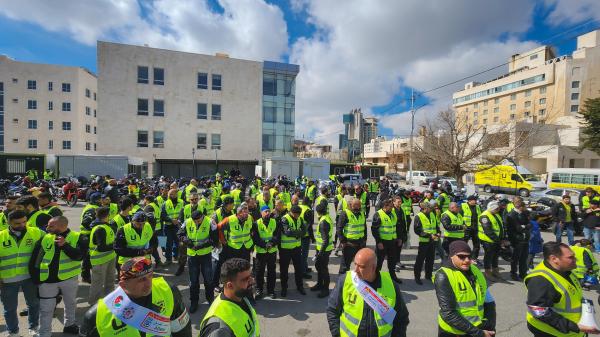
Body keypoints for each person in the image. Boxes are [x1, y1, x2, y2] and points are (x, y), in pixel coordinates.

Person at [80, 257, 192, 337]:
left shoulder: (167, 290)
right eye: (141, 280)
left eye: (150, 276)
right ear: (123, 285)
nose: (148, 283)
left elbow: (182, 329)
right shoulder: (96, 315)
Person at [327, 248, 410, 337]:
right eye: (355, 264)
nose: (356, 270)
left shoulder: (391, 285)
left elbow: (401, 318)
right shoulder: (345, 281)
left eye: (361, 266)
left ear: (373, 267)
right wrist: (336, 334)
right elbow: (332, 310)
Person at [525, 242, 600, 336]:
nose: (575, 259)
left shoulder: (565, 270)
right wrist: (575, 327)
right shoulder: (541, 281)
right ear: (554, 259)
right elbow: (539, 311)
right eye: (570, 257)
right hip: (553, 333)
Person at [30, 216, 86, 336]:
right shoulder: (45, 238)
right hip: (47, 280)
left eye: (51, 226)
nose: (47, 227)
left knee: (70, 303)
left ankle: (70, 325)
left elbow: (80, 256)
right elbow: (35, 259)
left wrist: (65, 245)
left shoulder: (78, 237)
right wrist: (35, 278)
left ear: (61, 226)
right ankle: (45, 332)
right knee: (46, 308)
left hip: (69, 278)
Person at [434, 241, 496, 337]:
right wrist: (479, 333)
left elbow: (489, 301)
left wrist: (490, 325)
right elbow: (448, 313)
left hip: (477, 328)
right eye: (461, 256)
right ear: (451, 256)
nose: (467, 260)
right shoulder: (443, 275)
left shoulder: (475, 270)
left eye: (469, 256)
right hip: (454, 332)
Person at [0, 210, 43, 337]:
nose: (22, 225)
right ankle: (13, 332)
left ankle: (34, 327)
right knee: (10, 309)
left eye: (24, 221)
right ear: (8, 222)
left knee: (34, 304)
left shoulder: (36, 232)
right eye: (17, 223)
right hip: (8, 279)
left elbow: (50, 241)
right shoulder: (1, 236)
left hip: (30, 277)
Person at [199, 258, 260, 337]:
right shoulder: (218, 329)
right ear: (230, 285)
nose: (252, 281)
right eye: (245, 279)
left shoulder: (240, 296)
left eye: (251, 276)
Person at [88, 207, 117, 305]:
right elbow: (101, 247)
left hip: (109, 258)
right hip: (100, 261)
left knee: (110, 281)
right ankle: (94, 304)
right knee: (98, 283)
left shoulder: (105, 226)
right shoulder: (100, 228)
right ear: (107, 216)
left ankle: (109, 300)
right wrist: (115, 246)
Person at [252, 205, 280, 299]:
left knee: (271, 272)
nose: (267, 213)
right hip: (261, 252)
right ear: (261, 212)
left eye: (268, 211)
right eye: (265, 211)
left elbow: (277, 235)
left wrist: (271, 243)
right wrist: (265, 245)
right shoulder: (256, 223)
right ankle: (259, 290)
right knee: (259, 272)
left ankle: (271, 291)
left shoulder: (274, 222)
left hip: (272, 251)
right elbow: (255, 238)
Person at [279, 205, 307, 297]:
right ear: (291, 212)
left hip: (296, 248)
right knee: (284, 270)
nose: (297, 216)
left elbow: (304, 231)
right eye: (296, 214)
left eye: (299, 214)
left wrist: (296, 233)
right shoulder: (284, 219)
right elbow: (287, 232)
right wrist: (298, 233)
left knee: (298, 269)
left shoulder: (300, 218)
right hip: (285, 249)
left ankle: (300, 286)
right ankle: (284, 288)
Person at [371, 198, 400, 283]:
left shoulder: (393, 213)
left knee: (392, 260)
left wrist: (398, 238)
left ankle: (392, 276)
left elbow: (396, 227)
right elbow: (374, 230)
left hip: (392, 242)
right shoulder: (378, 214)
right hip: (382, 242)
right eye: (390, 206)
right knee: (379, 262)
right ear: (385, 206)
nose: (392, 208)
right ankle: (375, 278)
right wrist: (378, 242)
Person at [337, 198, 367, 274]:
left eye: (359, 205)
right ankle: (342, 283)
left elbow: (364, 226)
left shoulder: (362, 213)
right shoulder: (345, 213)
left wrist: (364, 239)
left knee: (361, 265)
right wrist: (343, 241)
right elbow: (339, 228)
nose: (357, 207)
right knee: (345, 267)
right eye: (355, 206)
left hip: (360, 244)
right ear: (350, 205)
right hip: (349, 245)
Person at [478, 201, 506, 281]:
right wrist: (499, 241)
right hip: (488, 240)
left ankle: (495, 271)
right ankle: (487, 272)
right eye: (496, 209)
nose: (498, 210)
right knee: (488, 257)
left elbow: (500, 227)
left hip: (496, 240)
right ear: (492, 208)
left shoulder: (495, 214)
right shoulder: (484, 216)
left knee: (495, 256)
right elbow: (488, 231)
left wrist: (503, 238)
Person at [414, 202, 440, 285]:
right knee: (420, 260)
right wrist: (429, 236)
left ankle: (428, 275)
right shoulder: (419, 216)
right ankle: (417, 277)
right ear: (425, 208)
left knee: (430, 259)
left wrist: (438, 232)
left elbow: (436, 226)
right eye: (430, 208)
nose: (431, 210)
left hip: (432, 241)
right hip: (424, 242)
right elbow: (417, 230)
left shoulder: (432, 214)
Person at [504, 199, 531, 281]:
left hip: (525, 239)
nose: (525, 209)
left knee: (524, 257)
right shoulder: (511, 215)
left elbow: (529, 224)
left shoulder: (523, 214)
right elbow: (518, 228)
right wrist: (524, 226)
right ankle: (513, 273)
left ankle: (523, 273)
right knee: (515, 258)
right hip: (516, 239)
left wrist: (524, 226)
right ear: (521, 207)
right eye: (524, 207)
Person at [312, 202, 334, 298]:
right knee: (319, 266)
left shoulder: (323, 222)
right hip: (322, 248)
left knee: (324, 269)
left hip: (324, 250)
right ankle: (319, 284)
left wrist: (319, 253)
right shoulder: (326, 217)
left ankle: (325, 289)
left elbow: (325, 240)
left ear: (318, 212)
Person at [161, 189, 184, 263]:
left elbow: (183, 213)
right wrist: (171, 220)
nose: (171, 196)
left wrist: (178, 220)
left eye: (173, 194)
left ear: (176, 194)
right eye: (170, 194)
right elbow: (163, 215)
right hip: (168, 226)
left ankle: (175, 256)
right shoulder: (165, 203)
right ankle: (168, 259)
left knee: (177, 242)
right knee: (168, 243)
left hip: (177, 226)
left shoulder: (181, 202)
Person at [461, 195, 482, 265]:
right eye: (474, 200)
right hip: (467, 228)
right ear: (469, 200)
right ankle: (462, 257)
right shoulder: (463, 206)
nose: (475, 201)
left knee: (477, 244)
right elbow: (459, 216)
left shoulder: (478, 207)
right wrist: (463, 225)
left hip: (476, 228)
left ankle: (474, 258)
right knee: (464, 243)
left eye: (476, 200)